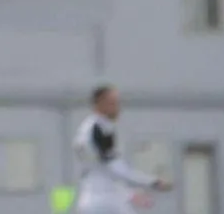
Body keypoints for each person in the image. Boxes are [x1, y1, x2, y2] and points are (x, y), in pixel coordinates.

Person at [73, 85, 172, 214]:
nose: (118, 108)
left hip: (100, 197)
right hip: (103, 202)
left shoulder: (93, 128)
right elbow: (115, 167)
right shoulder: (96, 130)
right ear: (100, 104)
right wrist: (152, 181)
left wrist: (128, 194)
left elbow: (103, 171)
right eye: (113, 103)